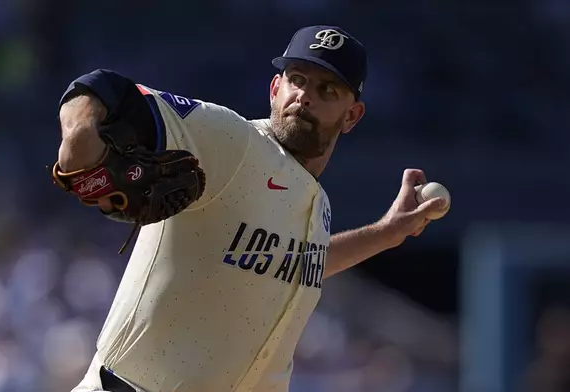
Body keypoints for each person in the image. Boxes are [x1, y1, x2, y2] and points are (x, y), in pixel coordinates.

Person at [55, 25, 448, 392]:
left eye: (327, 90)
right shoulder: (232, 142)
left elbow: (297, 263)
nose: (305, 96)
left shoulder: (315, 201)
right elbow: (101, 90)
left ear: (352, 115)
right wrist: (79, 146)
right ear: (275, 88)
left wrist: (388, 232)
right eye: (297, 80)